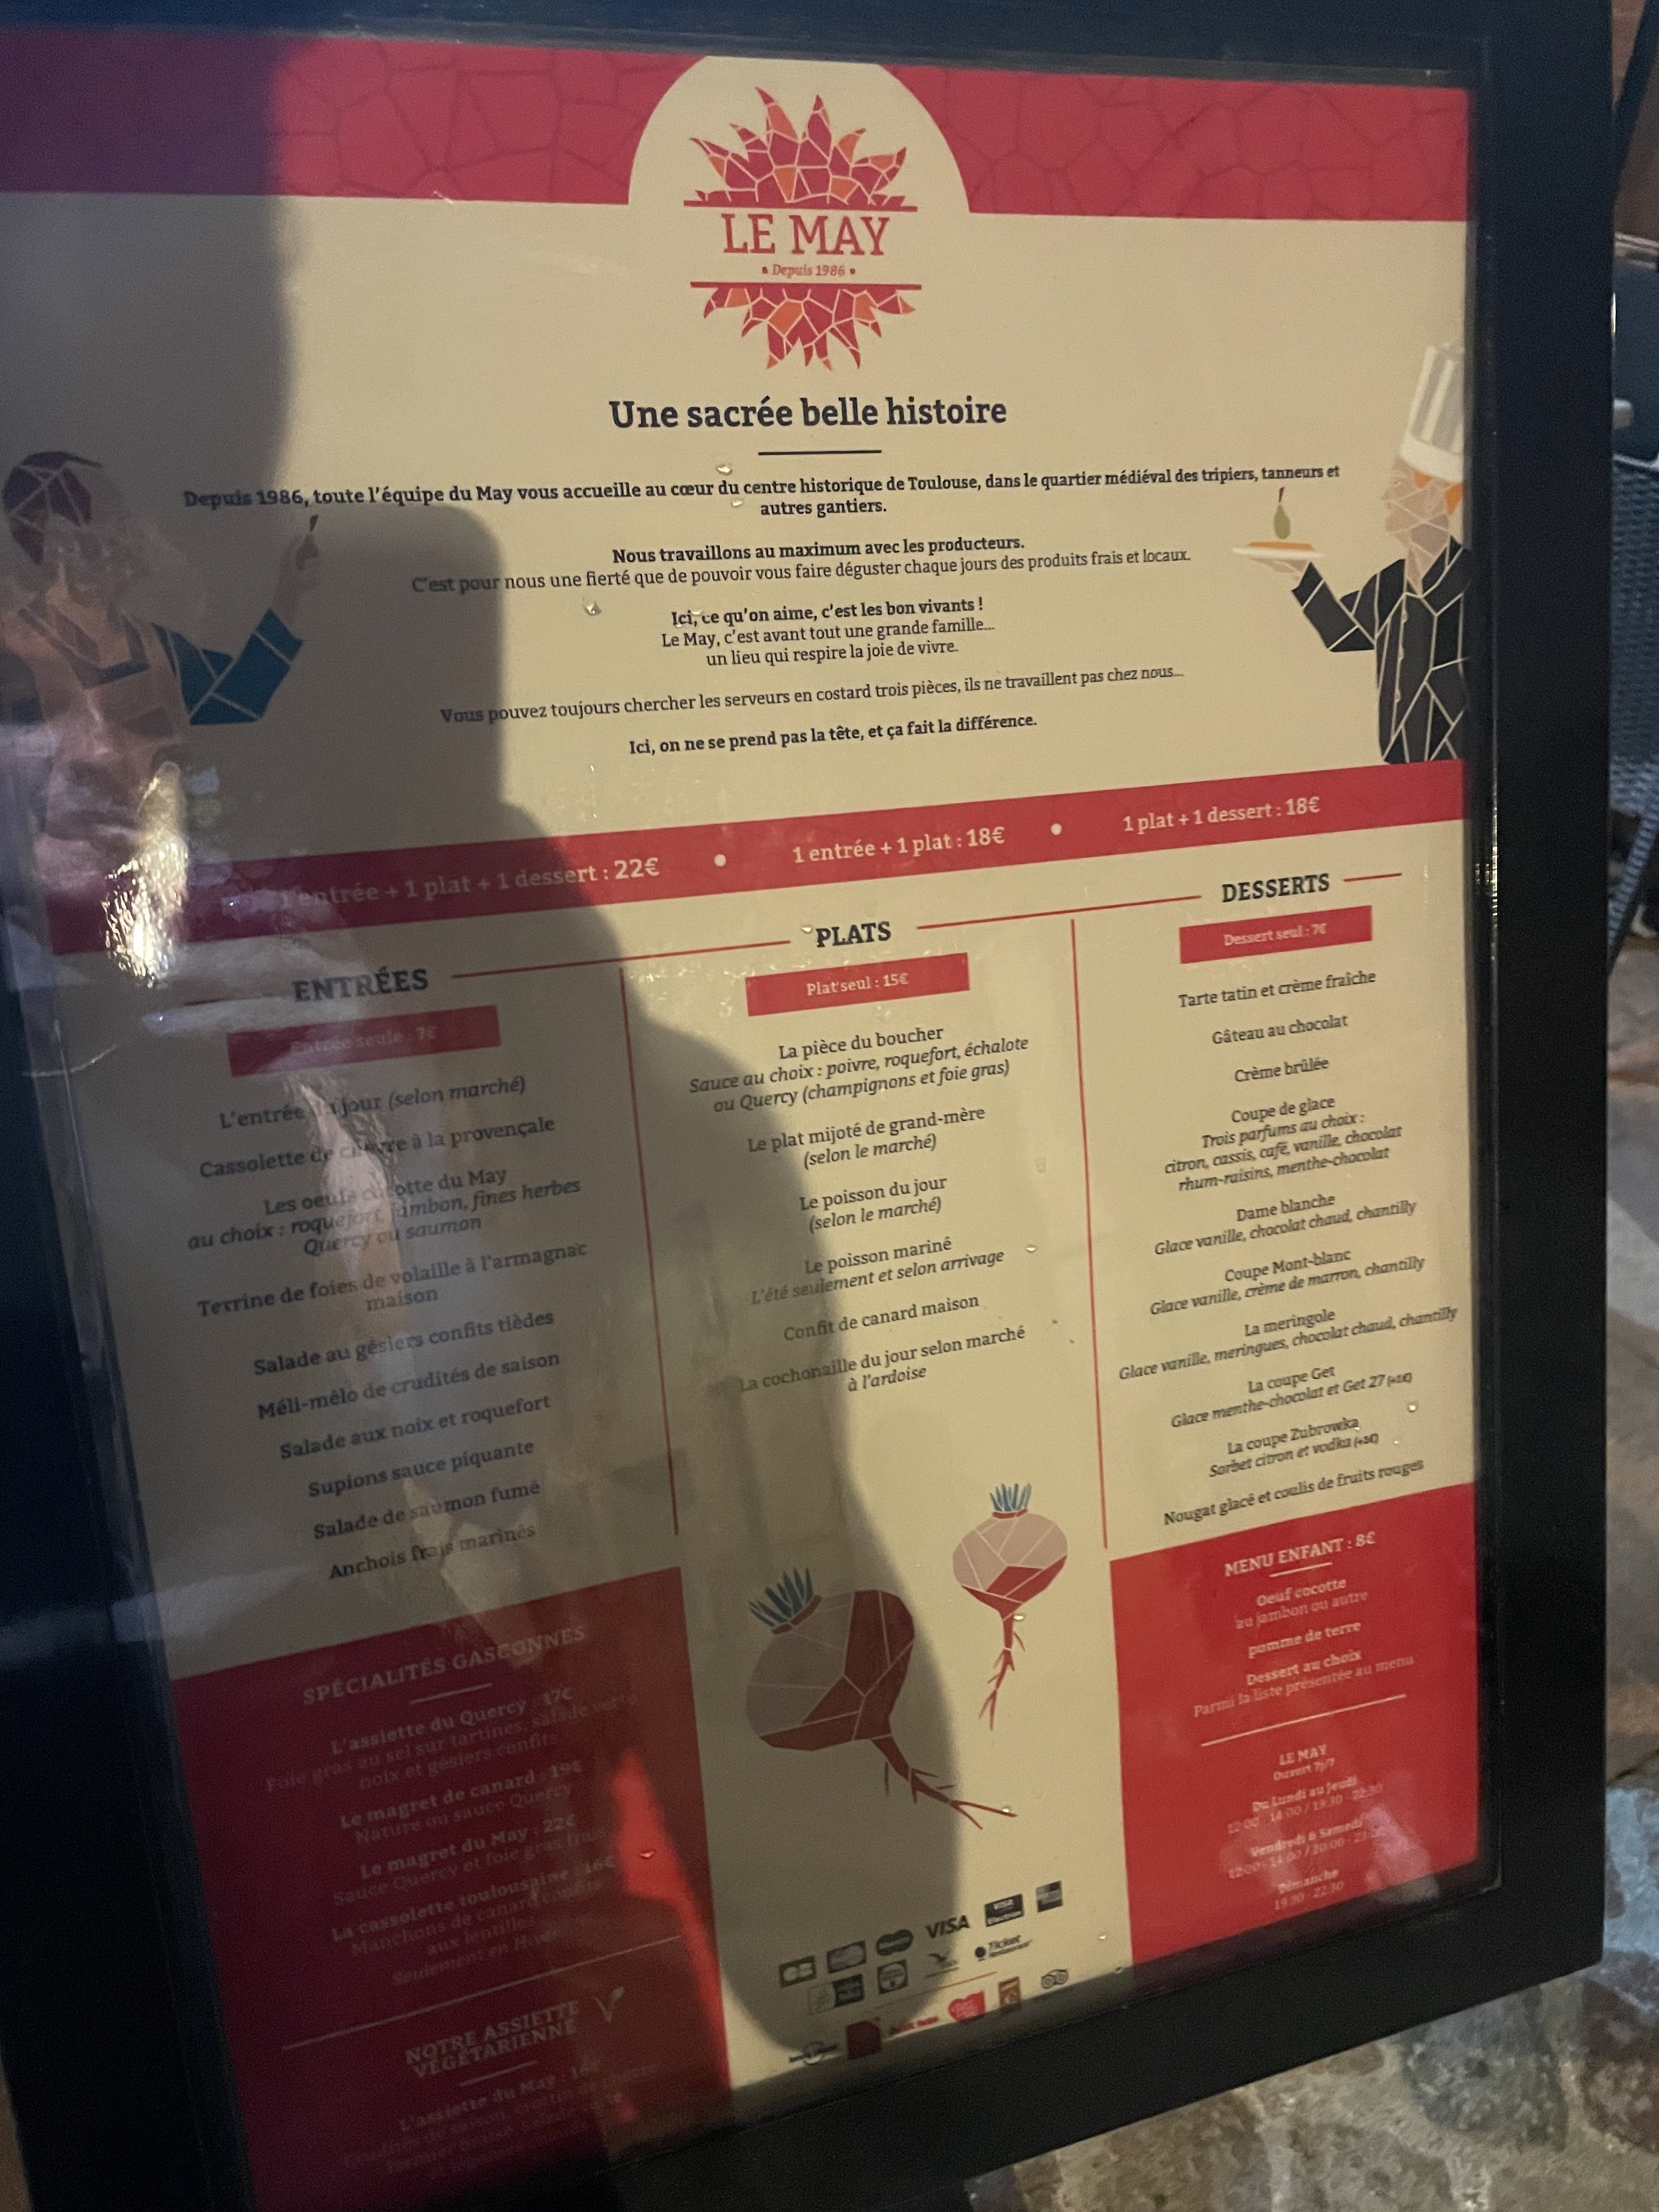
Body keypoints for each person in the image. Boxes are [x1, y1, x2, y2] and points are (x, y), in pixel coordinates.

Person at [0, 450, 319, 947]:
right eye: (109, 521)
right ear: (58, 540)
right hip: (43, 915)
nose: (131, 536)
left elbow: (238, 699)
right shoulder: (13, 647)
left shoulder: (149, 644)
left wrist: (289, 596)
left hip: (155, 895)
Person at [1262, 345, 1468, 764]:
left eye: (1399, 485)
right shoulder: (1390, 582)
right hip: (1396, 774)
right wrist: (1301, 573)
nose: (1386, 497)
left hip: (1449, 781)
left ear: (1435, 497)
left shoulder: (1472, 584)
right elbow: (1344, 634)